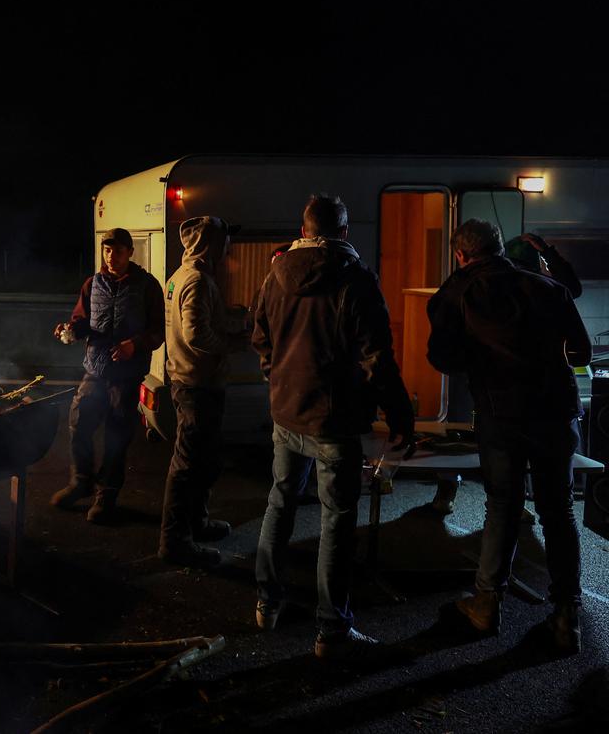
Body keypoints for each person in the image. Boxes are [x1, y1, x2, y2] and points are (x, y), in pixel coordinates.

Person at [251, 194, 415, 661]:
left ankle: (267, 604)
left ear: (304, 230)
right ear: (343, 232)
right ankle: (331, 630)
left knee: (280, 501)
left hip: (286, 412)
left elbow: (259, 336)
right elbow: (377, 357)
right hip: (335, 421)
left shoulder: (275, 274)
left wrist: (275, 375)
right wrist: (400, 415)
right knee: (336, 519)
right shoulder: (356, 279)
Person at [429, 219, 591, 653]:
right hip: (556, 414)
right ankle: (567, 617)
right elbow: (581, 352)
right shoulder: (546, 288)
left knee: (503, 506)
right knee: (558, 511)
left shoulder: (460, 292)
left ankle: (486, 606)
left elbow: (441, 357)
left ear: (462, 256)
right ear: (500, 248)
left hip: (501, 416)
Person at [51, 227, 165, 524]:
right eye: (107, 250)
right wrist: (71, 330)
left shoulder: (147, 285)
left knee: (116, 437)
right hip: (95, 371)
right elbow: (82, 321)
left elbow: (158, 332)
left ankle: (107, 497)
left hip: (126, 376)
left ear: (130, 252)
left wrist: (134, 345)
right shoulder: (93, 284)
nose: (111, 256)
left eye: (117, 250)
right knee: (78, 423)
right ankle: (81, 482)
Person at [157, 216, 250, 567]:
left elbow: (198, 322)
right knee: (188, 463)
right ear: (210, 244)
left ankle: (196, 521)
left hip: (191, 382)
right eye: (225, 241)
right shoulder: (196, 280)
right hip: (197, 385)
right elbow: (196, 335)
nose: (229, 248)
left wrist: (233, 319)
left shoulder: (181, 277)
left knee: (204, 460)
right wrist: (233, 344)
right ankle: (175, 541)